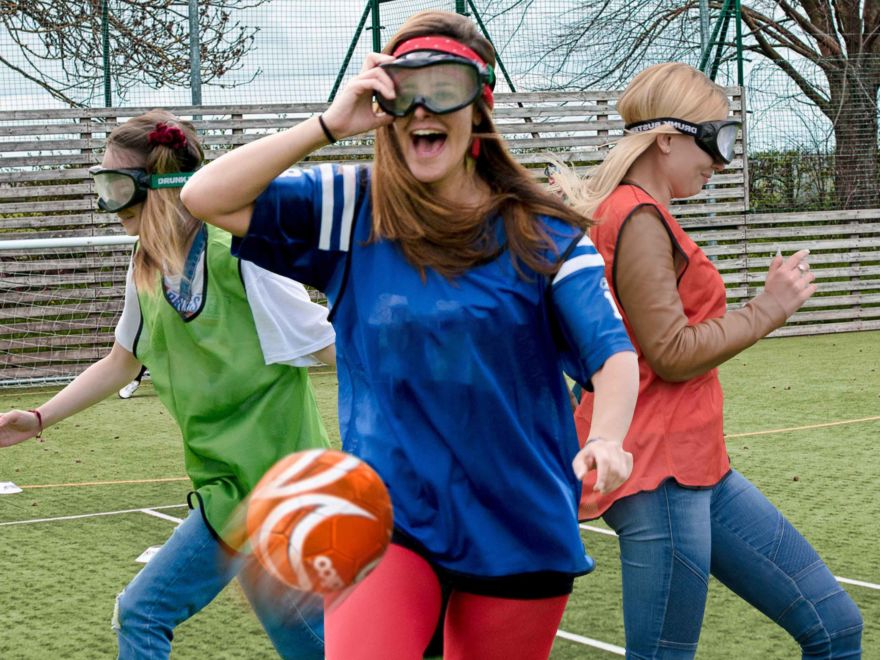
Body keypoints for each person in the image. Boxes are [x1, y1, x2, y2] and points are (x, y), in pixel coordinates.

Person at [181, 10, 639, 659]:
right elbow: (204, 196)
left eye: (444, 86)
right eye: (404, 87)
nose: (423, 105)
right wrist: (328, 125)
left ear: (480, 107)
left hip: (518, 524)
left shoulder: (545, 234)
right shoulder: (352, 209)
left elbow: (613, 357)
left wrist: (609, 440)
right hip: (385, 518)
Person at [554, 62, 864, 658]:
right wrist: (767, 310)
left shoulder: (636, 210)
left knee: (835, 625)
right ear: (666, 138)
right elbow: (670, 353)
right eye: (711, 140)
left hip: (696, 468)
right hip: (660, 472)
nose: (719, 161)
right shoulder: (638, 217)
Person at [0, 110, 335, 660]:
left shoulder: (242, 254)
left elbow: (328, 344)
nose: (105, 204)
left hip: (278, 490)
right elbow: (122, 362)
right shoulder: (146, 262)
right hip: (225, 488)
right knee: (313, 648)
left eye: (114, 186)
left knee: (143, 613)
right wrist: (37, 419)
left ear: (154, 188)